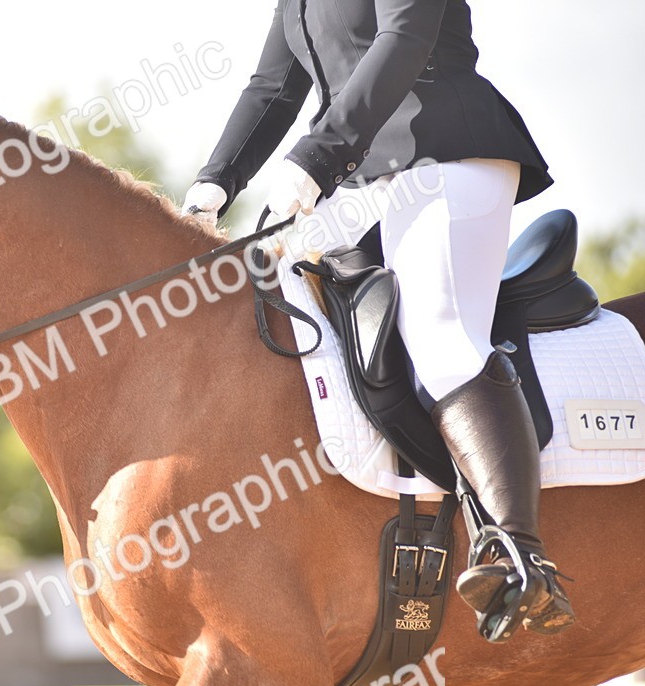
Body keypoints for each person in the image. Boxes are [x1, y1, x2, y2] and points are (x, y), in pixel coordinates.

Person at [183, 0, 574, 638]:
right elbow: (274, 87)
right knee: (267, 304)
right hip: (358, 180)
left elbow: (406, 33)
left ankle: (519, 554)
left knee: (438, 333)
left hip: (444, 153)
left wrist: (314, 157)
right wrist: (215, 183)